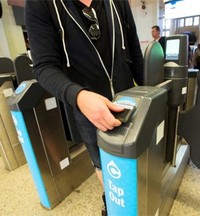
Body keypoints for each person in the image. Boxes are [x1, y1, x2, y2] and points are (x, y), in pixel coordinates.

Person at [25, 0, 143, 215]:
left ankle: (134, 201)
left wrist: (149, 93)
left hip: (128, 102)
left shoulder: (118, 2)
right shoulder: (41, 4)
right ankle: (113, 202)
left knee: (134, 157)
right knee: (101, 162)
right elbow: (43, 66)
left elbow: (134, 50)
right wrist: (78, 96)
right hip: (86, 106)